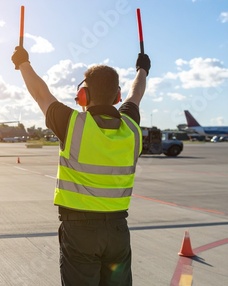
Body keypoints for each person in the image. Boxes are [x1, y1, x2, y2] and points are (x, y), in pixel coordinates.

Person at [12, 46, 150, 286]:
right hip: (118, 229)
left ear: (83, 95)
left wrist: (23, 63)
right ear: (117, 97)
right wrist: (143, 70)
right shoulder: (130, 127)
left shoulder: (72, 124)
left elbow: (40, 93)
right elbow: (135, 95)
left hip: (80, 231)